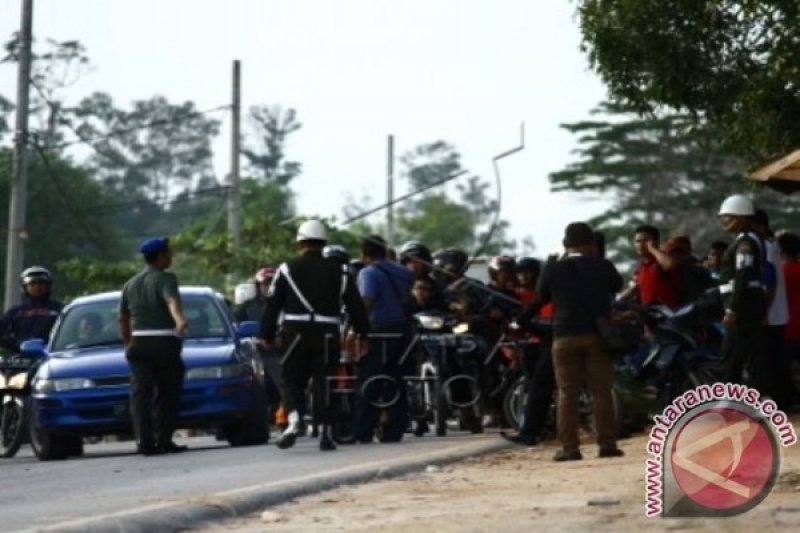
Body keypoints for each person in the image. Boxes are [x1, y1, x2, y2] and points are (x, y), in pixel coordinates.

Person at [261, 220, 370, 451]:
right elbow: (355, 306)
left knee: (291, 379)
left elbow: (273, 306)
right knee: (325, 382)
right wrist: (363, 333)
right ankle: (326, 434)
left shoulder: (287, 268)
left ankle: (293, 422)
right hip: (327, 333)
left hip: (295, 332)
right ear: (324, 243)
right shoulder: (340, 270)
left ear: (300, 242)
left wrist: (267, 334)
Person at [522, 222, 624, 461]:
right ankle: (607, 445)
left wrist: (549, 266)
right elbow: (617, 286)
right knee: (601, 391)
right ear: (591, 245)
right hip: (596, 336)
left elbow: (541, 295)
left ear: (566, 245)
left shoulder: (554, 269)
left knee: (567, 393)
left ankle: (570, 448)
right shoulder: (603, 266)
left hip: (564, 336)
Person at [118, 237, 189, 456]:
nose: (171, 257)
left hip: (138, 344)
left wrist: (128, 344)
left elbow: (122, 317)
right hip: (163, 342)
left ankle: (144, 442)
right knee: (168, 393)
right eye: (169, 253)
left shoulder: (130, 284)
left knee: (141, 395)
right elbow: (171, 301)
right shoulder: (165, 278)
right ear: (160, 257)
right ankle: (164, 439)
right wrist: (179, 320)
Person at [354, 234, 415, 443]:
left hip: (378, 333)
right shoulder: (404, 272)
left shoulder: (368, 273)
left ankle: (363, 430)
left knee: (370, 381)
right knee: (397, 381)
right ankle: (394, 430)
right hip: (404, 332)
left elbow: (367, 300)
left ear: (364, 254)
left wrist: (356, 327)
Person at [716, 194, 769, 393]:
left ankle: (730, 403)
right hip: (748, 304)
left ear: (742, 217)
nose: (723, 221)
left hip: (744, 306)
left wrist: (732, 309)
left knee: (731, 357)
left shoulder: (745, 243)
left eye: (728, 216)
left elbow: (743, 276)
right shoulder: (746, 240)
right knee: (749, 355)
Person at [0, 266, 64, 352]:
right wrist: (16, 345)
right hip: (21, 358)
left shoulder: (59, 309)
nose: (37, 287)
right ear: (25, 287)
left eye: (41, 283)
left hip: (53, 356)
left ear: (48, 286)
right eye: (32, 283)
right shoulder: (16, 311)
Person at [620, 224, 680, 308]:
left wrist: (652, 248)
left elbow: (670, 265)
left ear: (656, 241)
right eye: (638, 241)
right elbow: (633, 289)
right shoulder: (640, 269)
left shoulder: (662, 260)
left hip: (668, 315)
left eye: (645, 240)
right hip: (649, 315)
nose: (640, 244)